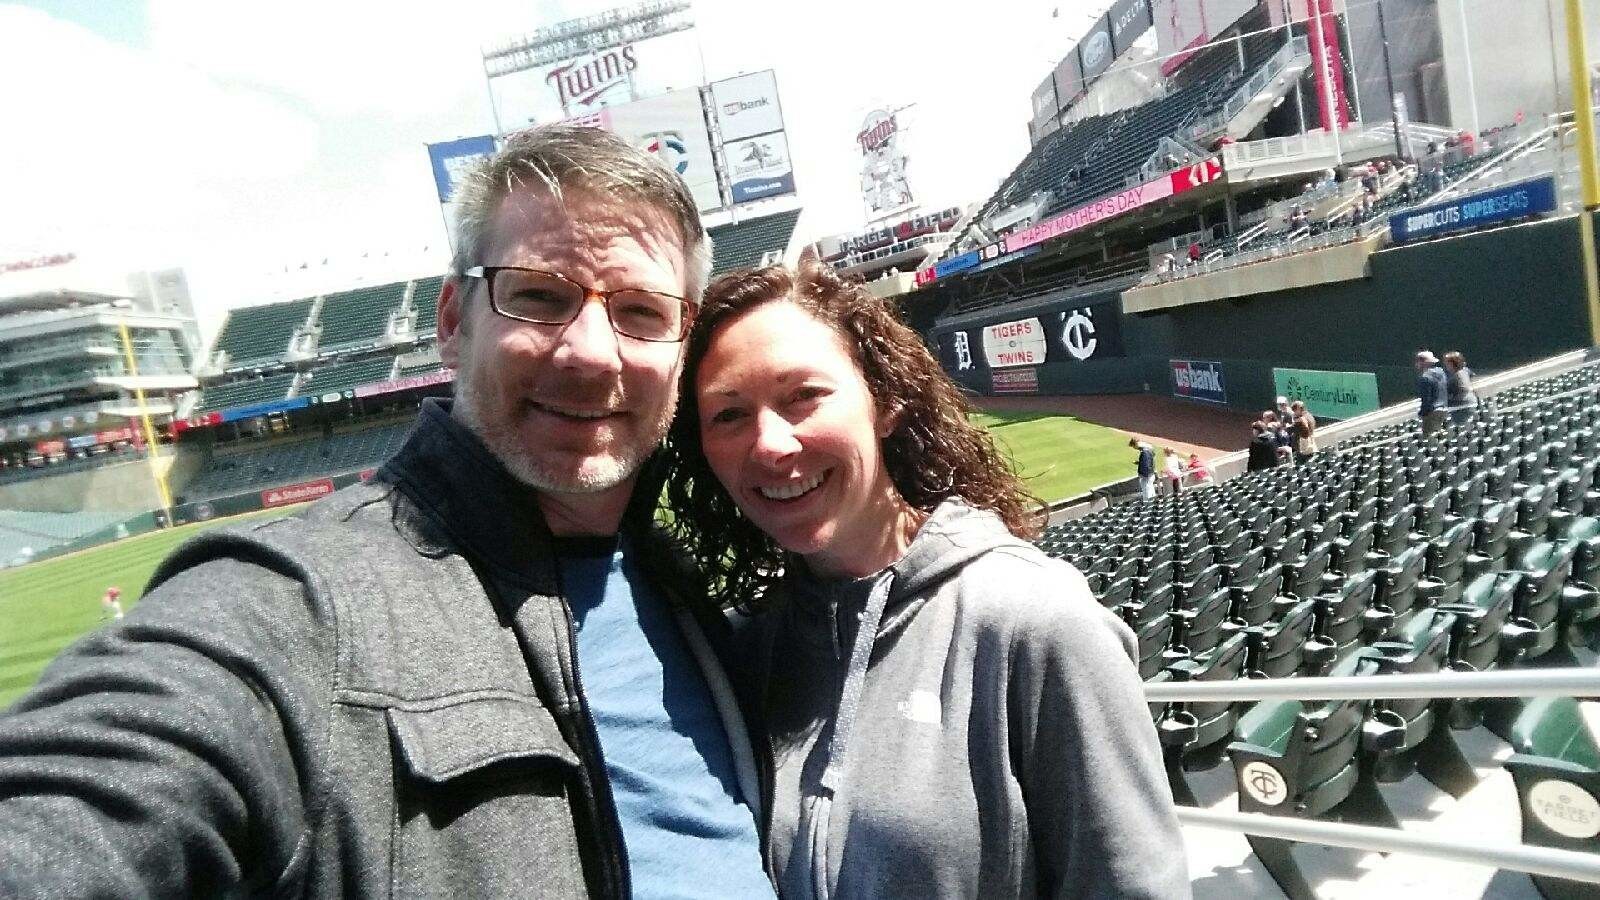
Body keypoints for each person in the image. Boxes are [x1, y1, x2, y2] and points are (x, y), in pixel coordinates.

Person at [0, 126, 777, 897]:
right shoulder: (301, 605)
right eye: (539, 296)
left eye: (640, 311)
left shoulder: (690, 587)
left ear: (681, 347)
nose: (591, 352)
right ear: (453, 321)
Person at [662, 261, 1187, 898]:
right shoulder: (743, 647)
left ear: (884, 401)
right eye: (728, 415)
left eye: (803, 395)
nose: (770, 445)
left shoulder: (1038, 621)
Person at [1416, 349, 1449, 436]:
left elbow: (1426, 399)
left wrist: (1422, 413)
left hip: (1432, 412)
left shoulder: (1425, 377)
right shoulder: (1441, 372)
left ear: (1422, 363)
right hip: (1444, 409)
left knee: (1429, 437)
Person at [1444, 350, 1479, 427]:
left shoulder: (1456, 376)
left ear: (1452, 363)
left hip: (1460, 407)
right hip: (1471, 402)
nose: (1445, 365)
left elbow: (1463, 389)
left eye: (1447, 362)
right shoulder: (1466, 371)